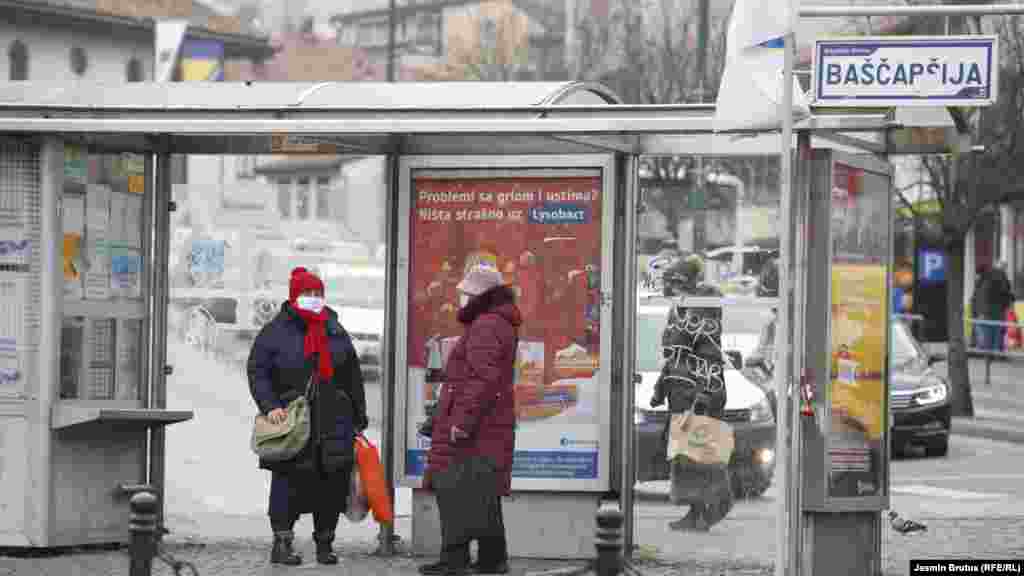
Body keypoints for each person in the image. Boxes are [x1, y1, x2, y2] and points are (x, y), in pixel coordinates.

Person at [247, 267, 369, 566]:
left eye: (318, 294)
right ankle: (282, 544)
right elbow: (258, 371)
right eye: (307, 294)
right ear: (294, 296)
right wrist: (270, 405)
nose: (314, 299)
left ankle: (325, 545)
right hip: (291, 421)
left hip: (334, 421)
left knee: (332, 484)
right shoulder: (275, 331)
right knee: (287, 484)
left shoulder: (334, 329)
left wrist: (358, 417)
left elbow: (353, 376)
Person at [420, 264, 522, 576]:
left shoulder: (486, 326)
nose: (461, 297)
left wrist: (460, 421)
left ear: (479, 294)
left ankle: (455, 559)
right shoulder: (497, 322)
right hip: (490, 424)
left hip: (475, 426)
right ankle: (492, 558)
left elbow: (480, 379)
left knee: (455, 490)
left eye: (465, 292)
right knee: (482, 492)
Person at [650, 283, 731, 532]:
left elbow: (709, 366)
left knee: (699, 460)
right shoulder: (689, 332)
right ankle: (696, 512)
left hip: (696, 403)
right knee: (689, 461)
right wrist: (660, 390)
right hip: (686, 402)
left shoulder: (702, 334)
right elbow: (672, 364)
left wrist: (702, 397)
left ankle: (706, 510)